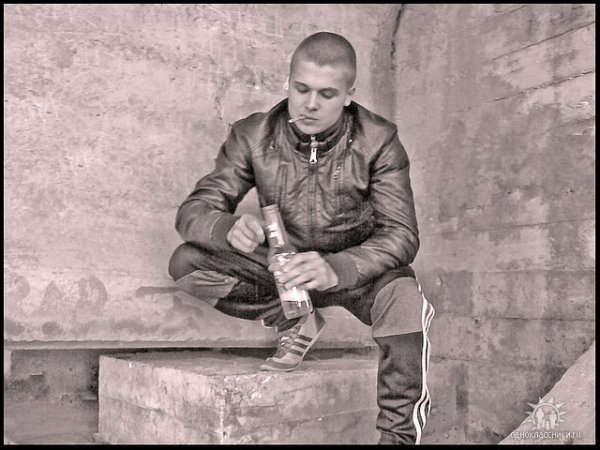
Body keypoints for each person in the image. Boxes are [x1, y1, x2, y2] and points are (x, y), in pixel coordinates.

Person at [168, 31, 435, 445]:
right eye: (302, 89)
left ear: (348, 96)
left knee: (405, 300)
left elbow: (402, 234)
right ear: (288, 83)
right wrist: (225, 227)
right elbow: (194, 211)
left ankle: (397, 438)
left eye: (327, 94)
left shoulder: (379, 139)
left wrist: (337, 268)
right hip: (286, 273)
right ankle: (295, 318)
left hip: (355, 272)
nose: (310, 104)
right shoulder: (253, 134)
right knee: (186, 263)